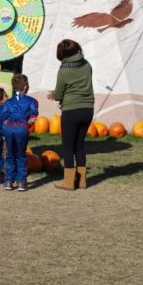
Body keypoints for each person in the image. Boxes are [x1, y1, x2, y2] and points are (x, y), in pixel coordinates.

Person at [47, 39, 94, 190]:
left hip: (71, 110)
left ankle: (68, 182)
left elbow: (59, 94)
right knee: (79, 146)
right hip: (88, 109)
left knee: (68, 147)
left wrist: (52, 95)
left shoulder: (64, 70)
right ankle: (82, 181)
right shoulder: (87, 65)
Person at [2, 74, 38, 192]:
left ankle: (8, 181)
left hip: (8, 129)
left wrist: (5, 128)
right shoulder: (32, 101)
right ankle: (21, 182)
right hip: (22, 129)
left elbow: (3, 116)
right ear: (26, 87)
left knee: (10, 155)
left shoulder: (8, 102)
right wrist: (30, 123)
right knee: (21, 155)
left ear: (13, 88)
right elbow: (33, 115)